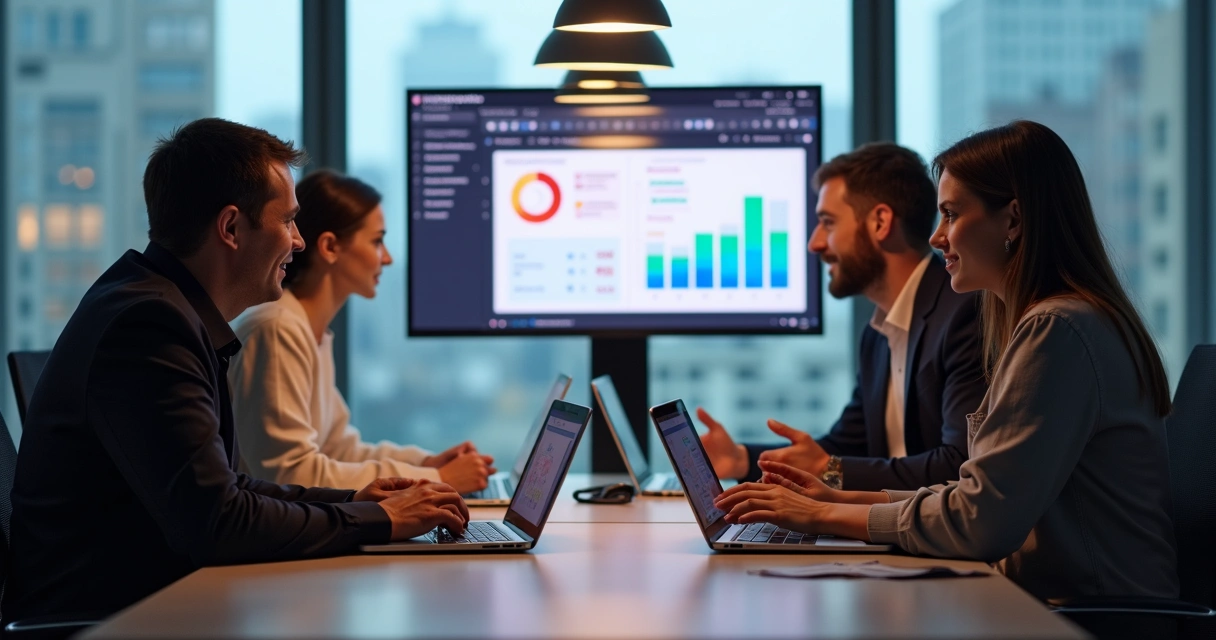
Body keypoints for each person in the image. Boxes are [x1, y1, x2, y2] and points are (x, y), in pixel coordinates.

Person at [2, 119, 470, 622]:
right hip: (113, 620)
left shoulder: (160, 306)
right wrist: (376, 519)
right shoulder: (149, 325)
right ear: (230, 228)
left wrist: (356, 499)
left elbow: (227, 488)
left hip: (146, 601)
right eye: (288, 221)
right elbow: (218, 522)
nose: (298, 242)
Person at [715, 120, 1178, 603]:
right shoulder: (1056, 321)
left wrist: (824, 514)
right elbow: (972, 489)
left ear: (1013, 220)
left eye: (952, 215)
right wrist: (836, 497)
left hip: (1086, 615)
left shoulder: (1055, 329)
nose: (938, 238)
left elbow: (980, 518)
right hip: (1054, 601)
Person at [698, 142, 986, 491]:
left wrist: (829, 468)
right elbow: (848, 447)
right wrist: (741, 459)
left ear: (880, 222)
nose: (815, 243)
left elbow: (959, 464)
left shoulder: (964, 313)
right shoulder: (879, 331)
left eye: (827, 223)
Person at [229, 170, 495, 493]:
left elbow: (339, 449)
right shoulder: (278, 329)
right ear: (330, 247)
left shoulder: (308, 331)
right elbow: (290, 473)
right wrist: (438, 480)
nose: (387, 257)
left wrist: (427, 464)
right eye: (376, 241)